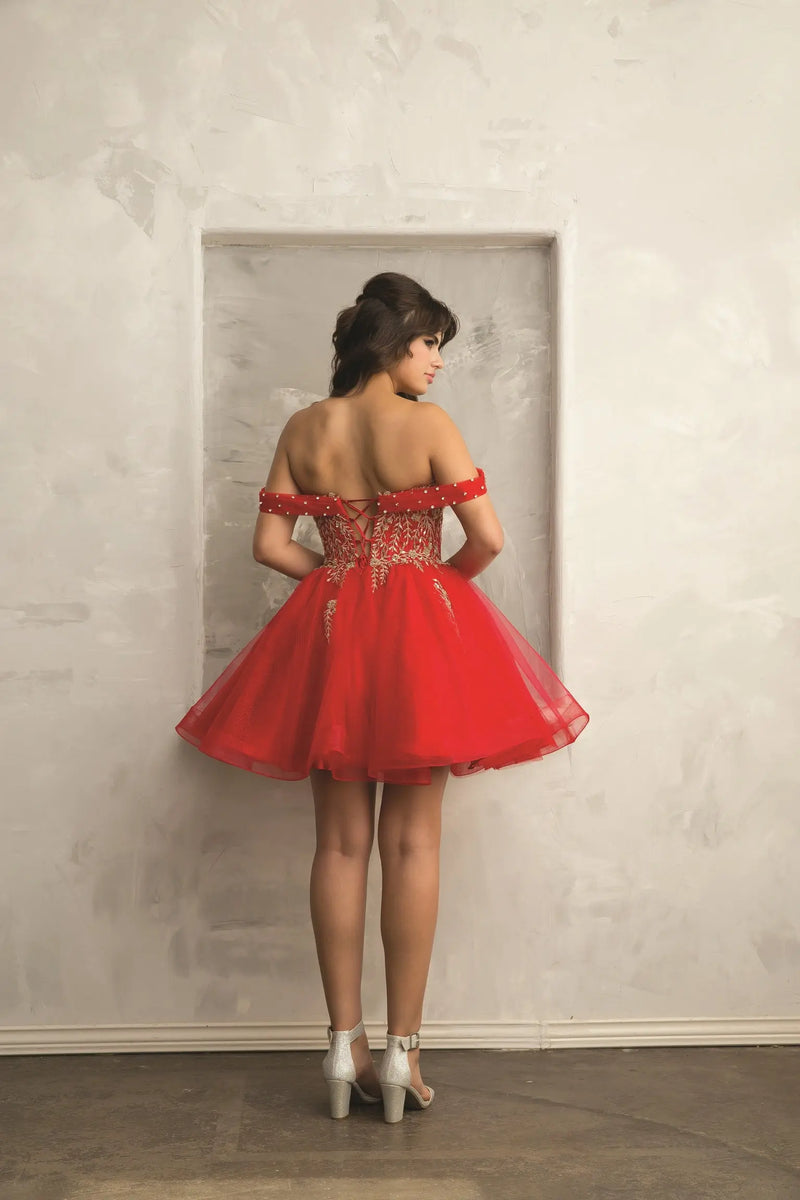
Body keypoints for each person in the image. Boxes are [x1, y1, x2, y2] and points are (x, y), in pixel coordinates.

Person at [175, 271, 589, 1123]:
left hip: (330, 636)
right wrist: (429, 590)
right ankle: (404, 1051)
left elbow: (269, 546)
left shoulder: (305, 427)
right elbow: (487, 539)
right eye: (430, 342)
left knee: (338, 846)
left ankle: (343, 1043)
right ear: (390, 340)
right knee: (411, 846)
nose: (438, 361)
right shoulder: (428, 425)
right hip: (415, 644)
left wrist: (337, 580)